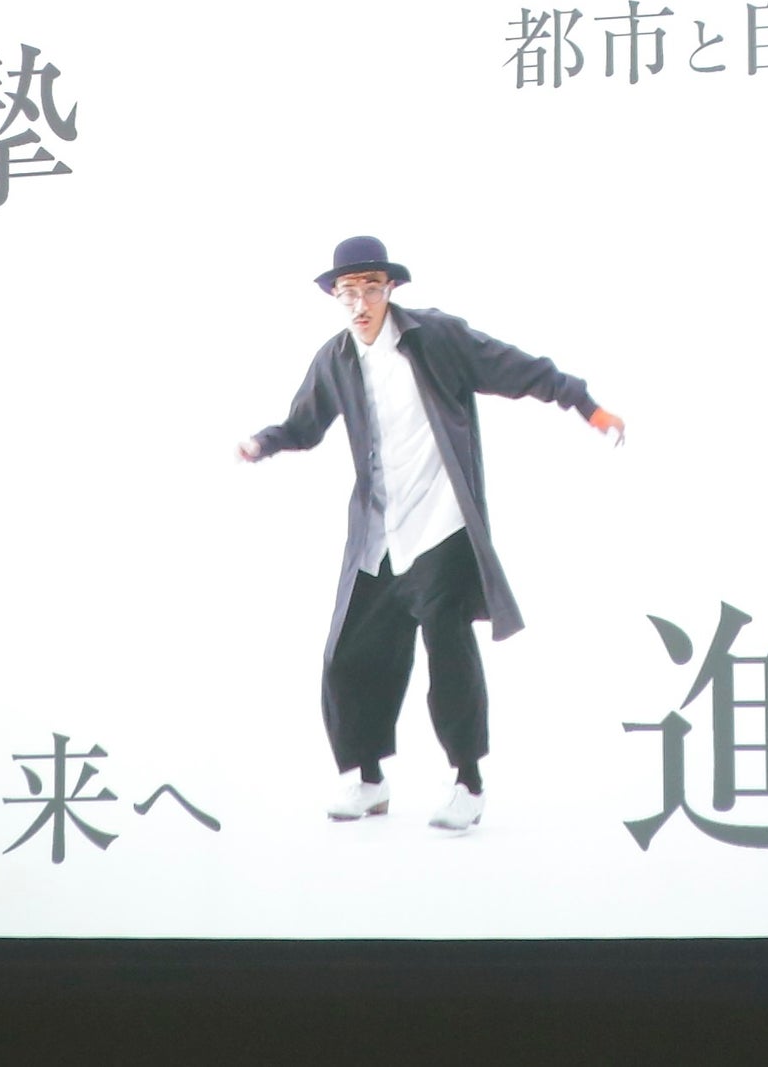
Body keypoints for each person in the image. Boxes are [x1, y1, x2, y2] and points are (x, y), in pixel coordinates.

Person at [236, 236, 624, 833]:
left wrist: (585, 405)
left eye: (370, 289)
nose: (360, 303)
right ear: (335, 297)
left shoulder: (436, 337)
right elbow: (303, 425)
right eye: (347, 292)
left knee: (449, 656)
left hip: (440, 527)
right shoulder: (335, 360)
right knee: (349, 657)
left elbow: (518, 368)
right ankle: (368, 780)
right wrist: (263, 443)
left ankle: (468, 783)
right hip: (378, 536)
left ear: (390, 288)